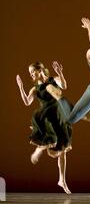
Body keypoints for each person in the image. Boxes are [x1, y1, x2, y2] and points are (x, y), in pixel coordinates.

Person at [16, 61, 72, 194]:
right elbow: (27, 102)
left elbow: (64, 85)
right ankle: (38, 149)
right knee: (50, 138)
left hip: (59, 117)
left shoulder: (53, 80)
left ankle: (62, 180)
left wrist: (60, 73)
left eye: (32, 71)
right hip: (47, 118)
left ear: (39, 70)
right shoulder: (35, 89)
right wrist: (21, 87)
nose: (31, 75)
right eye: (29, 73)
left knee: (62, 151)